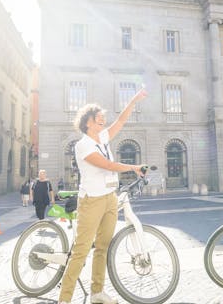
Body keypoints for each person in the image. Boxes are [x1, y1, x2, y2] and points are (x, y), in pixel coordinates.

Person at [58, 88, 147, 304]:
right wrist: (133, 167)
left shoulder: (103, 138)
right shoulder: (82, 146)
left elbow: (120, 121)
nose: (103, 121)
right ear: (87, 122)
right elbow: (106, 164)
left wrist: (133, 100)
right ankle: (64, 300)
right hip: (92, 201)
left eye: (103, 118)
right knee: (80, 252)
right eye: (99, 118)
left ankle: (97, 293)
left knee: (102, 248)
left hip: (110, 198)